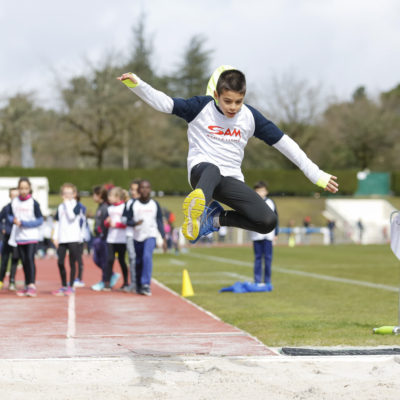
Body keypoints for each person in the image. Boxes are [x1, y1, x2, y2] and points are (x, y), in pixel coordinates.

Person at [117, 67, 339, 245]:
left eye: (238, 101)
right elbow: (165, 103)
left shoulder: (250, 117)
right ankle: (199, 204)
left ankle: (213, 218)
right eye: (227, 101)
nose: (233, 107)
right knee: (212, 169)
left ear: (244, 97)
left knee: (267, 221)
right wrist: (137, 84)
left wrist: (316, 174)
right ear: (216, 95)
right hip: (201, 172)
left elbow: (285, 143)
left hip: (230, 180)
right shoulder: (200, 107)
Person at [127, 180, 166, 296]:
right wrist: (134, 223)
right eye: (142, 188)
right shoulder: (134, 204)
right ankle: (139, 284)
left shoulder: (154, 204)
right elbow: (127, 220)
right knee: (138, 261)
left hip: (150, 235)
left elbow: (159, 221)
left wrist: (163, 237)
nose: (145, 190)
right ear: (139, 190)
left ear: (150, 190)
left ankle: (145, 284)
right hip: (137, 237)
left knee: (147, 257)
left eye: (147, 187)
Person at [10, 177, 43, 297]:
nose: (23, 191)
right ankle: (26, 284)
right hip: (19, 237)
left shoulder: (33, 203)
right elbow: (8, 215)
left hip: (31, 236)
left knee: (29, 259)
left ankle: (31, 285)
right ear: (18, 189)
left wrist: (24, 223)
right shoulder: (14, 202)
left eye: (26, 188)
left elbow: (40, 220)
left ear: (29, 189)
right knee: (23, 261)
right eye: (21, 188)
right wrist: (13, 220)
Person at [52, 183, 82, 296]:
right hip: (63, 239)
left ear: (74, 194)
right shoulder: (60, 207)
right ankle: (64, 285)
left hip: (73, 238)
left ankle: (71, 285)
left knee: (72, 263)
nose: (67, 195)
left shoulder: (76, 205)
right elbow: (57, 222)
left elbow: (71, 216)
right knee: (60, 262)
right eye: (65, 193)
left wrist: (67, 203)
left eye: (69, 193)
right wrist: (55, 237)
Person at [250, 181, 278, 290]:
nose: (260, 193)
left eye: (262, 190)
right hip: (257, 235)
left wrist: (276, 233)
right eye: (258, 191)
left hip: (269, 236)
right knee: (257, 258)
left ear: (266, 191)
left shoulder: (271, 202)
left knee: (268, 258)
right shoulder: (252, 202)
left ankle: (267, 281)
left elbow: (276, 218)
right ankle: (257, 280)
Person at [103, 187, 129, 291]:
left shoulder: (124, 207)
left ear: (117, 197)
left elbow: (127, 223)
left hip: (122, 239)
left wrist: (116, 224)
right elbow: (105, 223)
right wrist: (107, 222)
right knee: (109, 260)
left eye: (110, 196)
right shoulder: (109, 208)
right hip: (111, 239)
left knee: (122, 260)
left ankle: (126, 282)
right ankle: (107, 282)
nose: (108, 198)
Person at [91, 185, 111, 291]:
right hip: (98, 237)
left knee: (103, 260)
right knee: (96, 259)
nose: (93, 197)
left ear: (99, 195)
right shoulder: (100, 206)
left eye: (94, 194)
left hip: (103, 238)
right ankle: (110, 274)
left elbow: (105, 223)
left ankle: (105, 280)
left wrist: (102, 233)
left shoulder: (105, 207)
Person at [0, 187, 20, 291]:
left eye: (17, 195)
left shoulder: (22, 208)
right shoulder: (6, 208)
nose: (15, 197)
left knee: (15, 259)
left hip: (18, 238)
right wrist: (2, 228)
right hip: (7, 237)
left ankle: (12, 280)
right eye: (13, 195)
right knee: (4, 260)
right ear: (10, 196)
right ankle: (1, 280)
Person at [123, 179, 141, 293]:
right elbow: (123, 218)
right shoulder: (129, 203)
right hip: (130, 235)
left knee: (142, 259)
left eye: (136, 189)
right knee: (132, 259)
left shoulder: (146, 203)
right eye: (132, 189)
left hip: (143, 235)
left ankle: (143, 283)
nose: (133, 192)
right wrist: (133, 223)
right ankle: (134, 283)